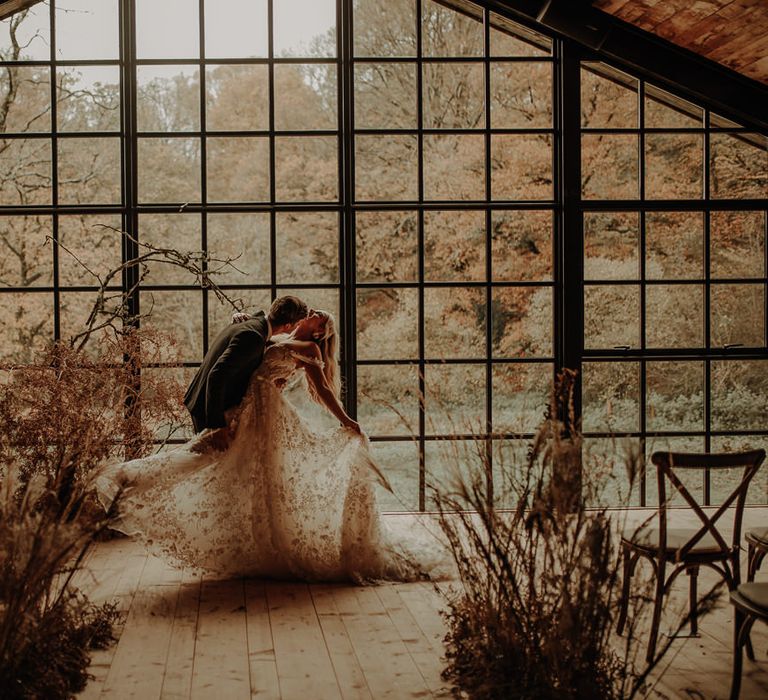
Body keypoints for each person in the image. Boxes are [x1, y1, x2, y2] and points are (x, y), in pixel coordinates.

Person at [95, 310, 446, 581]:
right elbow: (260, 345)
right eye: (313, 313)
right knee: (213, 461)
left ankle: (134, 485)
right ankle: (132, 483)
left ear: (320, 331)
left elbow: (322, 391)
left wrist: (346, 420)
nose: (313, 314)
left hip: (265, 415)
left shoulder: (307, 348)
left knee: (246, 472)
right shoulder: (271, 335)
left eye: (318, 318)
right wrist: (245, 318)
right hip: (247, 409)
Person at [183, 295, 308, 452]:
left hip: (207, 401)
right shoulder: (253, 336)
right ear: (289, 325)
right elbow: (217, 375)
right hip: (208, 409)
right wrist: (216, 426)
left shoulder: (253, 325)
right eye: (297, 325)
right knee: (204, 463)